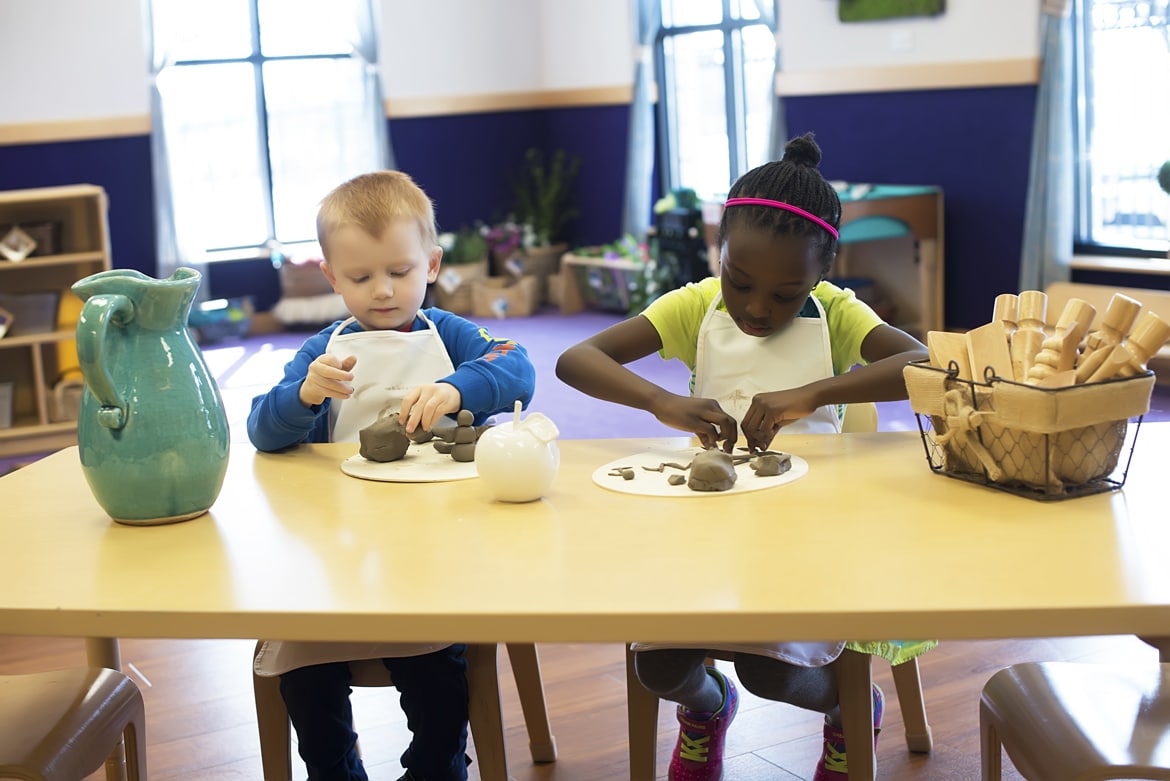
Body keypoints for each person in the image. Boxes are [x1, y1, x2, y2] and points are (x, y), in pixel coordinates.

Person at [555, 133, 934, 781]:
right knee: (659, 664)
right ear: (718, 253)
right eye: (740, 282)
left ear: (823, 272)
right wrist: (659, 400)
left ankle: (850, 705)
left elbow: (925, 364)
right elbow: (574, 360)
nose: (758, 308)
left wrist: (813, 393)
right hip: (708, 527)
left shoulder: (837, 314)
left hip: (808, 532)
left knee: (771, 667)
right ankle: (708, 707)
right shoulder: (695, 305)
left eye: (786, 294)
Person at [247, 170, 536, 781]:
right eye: (360, 277)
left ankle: (437, 764)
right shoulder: (324, 351)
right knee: (303, 672)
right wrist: (302, 396)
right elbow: (262, 432)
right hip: (338, 554)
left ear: (431, 265)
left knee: (437, 673)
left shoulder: (450, 335)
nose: (382, 291)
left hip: (434, 551)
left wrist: (460, 387)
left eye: (399, 272)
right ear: (331, 278)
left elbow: (519, 371)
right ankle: (334, 767)